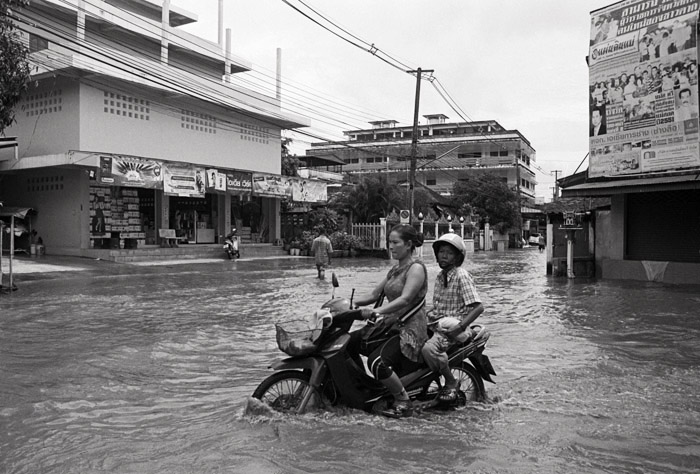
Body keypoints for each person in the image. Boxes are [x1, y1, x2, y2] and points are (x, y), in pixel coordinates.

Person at [352, 224, 428, 418]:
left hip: (408, 328)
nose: (391, 247)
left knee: (376, 362)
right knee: (347, 342)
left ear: (409, 244)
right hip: (390, 325)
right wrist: (347, 305)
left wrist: (376, 311)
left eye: (395, 242)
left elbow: (405, 299)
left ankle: (402, 398)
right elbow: (373, 294)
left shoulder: (416, 268)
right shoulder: (395, 270)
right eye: (389, 242)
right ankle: (359, 388)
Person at [421, 233, 483, 403]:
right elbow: (438, 306)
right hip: (437, 324)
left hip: (453, 329)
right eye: (441, 252)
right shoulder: (441, 277)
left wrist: (461, 327)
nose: (444, 255)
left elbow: (478, 307)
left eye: (449, 253)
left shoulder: (461, 275)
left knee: (428, 350)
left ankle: (450, 381)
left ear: (457, 257)